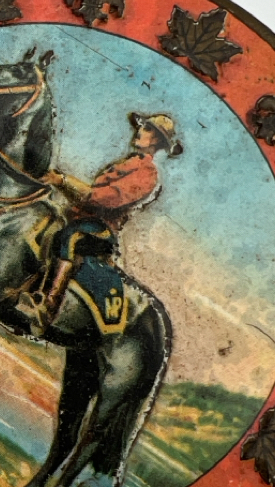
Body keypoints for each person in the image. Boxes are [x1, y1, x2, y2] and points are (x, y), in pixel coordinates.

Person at [17, 111, 182, 335]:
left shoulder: (147, 173)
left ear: (156, 140)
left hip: (101, 229)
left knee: (71, 236)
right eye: (141, 126)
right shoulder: (130, 162)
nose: (139, 130)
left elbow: (103, 199)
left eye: (146, 129)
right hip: (83, 218)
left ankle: (47, 307)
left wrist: (63, 181)